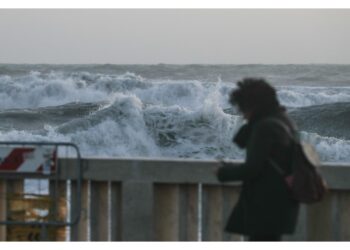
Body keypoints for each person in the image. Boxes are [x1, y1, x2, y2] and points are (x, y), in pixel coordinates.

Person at [216, 78, 299, 241]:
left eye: (243, 107)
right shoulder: (285, 121)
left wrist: (223, 172)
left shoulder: (264, 127)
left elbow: (252, 169)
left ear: (252, 105)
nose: (243, 114)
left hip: (265, 206)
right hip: (282, 202)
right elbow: (268, 162)